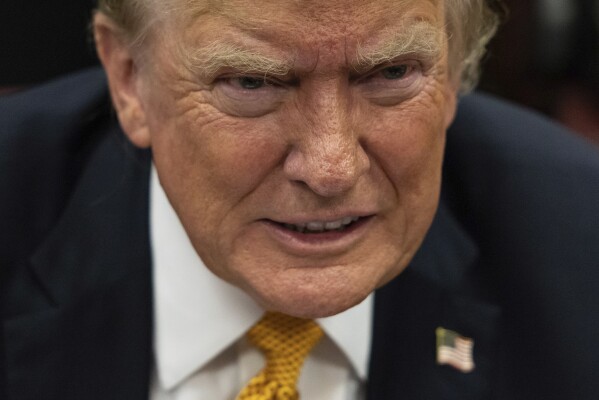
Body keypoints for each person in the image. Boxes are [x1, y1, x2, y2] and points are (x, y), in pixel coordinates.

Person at [1, 0, 598, 399]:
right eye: (251, 82)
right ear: (130, 80)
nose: (331, 168)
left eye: (391, 73)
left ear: (453, 75)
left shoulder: (579, 248)